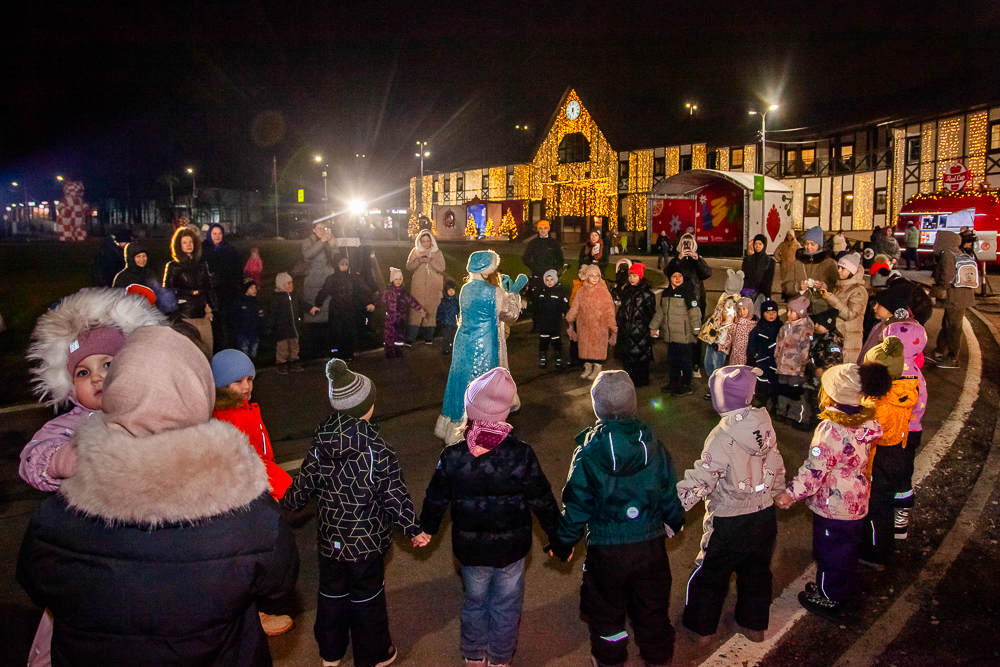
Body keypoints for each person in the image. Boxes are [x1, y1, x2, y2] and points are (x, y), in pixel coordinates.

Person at [17, 325, 299, 666]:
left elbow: (34, 580)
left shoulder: (60, 510)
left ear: (117, 386)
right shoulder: (247, 506)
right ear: (201, 391)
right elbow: (278, 584)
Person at [416, 368, 562, 667]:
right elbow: (542, 499)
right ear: (506, 413)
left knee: (475, 601)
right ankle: (499, 657)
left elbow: (436, 497)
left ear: (470, 410)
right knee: (506, 605)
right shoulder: (521, 454)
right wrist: (557, 537)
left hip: (470, 550)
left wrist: (426, 529)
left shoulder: (454, 455)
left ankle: (473, 654)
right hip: (512, 548)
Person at [283, 359, 419, 667]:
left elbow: (305, 482)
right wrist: (413, 528)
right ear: (366, 408)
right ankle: (373, 654)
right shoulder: (376, 448)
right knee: (367, 596)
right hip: (366, 544)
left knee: (331, 593)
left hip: (331, 540)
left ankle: (330, 653)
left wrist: (287, 504)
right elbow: (394, 495)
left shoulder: (321, 442)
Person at [548, 371, 685, 667]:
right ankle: (658, 657)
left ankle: (610, 660)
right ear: (632, 404)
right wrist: (675, 519)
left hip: (607, 549)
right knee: (652, 608)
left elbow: (577, 504)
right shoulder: (653, 444)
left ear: (597, 407)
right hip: (649, 545)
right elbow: (667, 488)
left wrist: (562, 542)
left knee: (607, 611)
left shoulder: (587, 452)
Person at [676, 365, 785, 643]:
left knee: (711, 574)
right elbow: (776, 462)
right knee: (757, 572)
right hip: (763, 515)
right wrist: (779, 490)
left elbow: (705, 475)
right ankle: (754, 624)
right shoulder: (765, 424)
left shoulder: (722, 436)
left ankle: (701, 628)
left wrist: (675, 505)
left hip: (729, 519)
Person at [775, 363, 887, 619]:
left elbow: (815, 471)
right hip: (857, 498)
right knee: (847, 548)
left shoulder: (831, 429)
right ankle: (841, 586)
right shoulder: (867, 420)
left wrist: (790, 494)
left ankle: (831, 595)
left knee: (830, 551)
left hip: (833, 504)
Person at [211, 348, 296, 637]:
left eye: (249, 379)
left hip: (255, 488)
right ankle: (254, 616)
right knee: (256, 558)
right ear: (221, 385)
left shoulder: (238, 410)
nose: (246, 387)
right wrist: (283, 486)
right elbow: (252, 462)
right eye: (237, 382)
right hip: (250, 494)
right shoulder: (233, 417)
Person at [436, 250, 525, 443]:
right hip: (484, 342)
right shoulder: (494, 292)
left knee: (460, 379)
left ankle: (453, 427)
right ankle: (479, 429)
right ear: (487, 267)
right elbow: (510, 314)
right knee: (482, 382)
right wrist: (515, 296)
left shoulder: (466, 288)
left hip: (463, 340)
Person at [857, 337, 919, 571]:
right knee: (884, 505)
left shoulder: (879, 405)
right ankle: (882, 547)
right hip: (897, 452)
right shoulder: (903, 390)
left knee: (876, 508)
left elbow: (866, 434)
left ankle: (875, 554)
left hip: (879, 458)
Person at [882, 320, 928, 540]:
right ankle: (900, 518)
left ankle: (884, 514)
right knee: (904, 473)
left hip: (892, 432)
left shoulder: (893, 371)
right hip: (912, 431)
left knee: (885, 472)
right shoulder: (917, 370)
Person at [163, 226, 216, 359]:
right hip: (184, 315)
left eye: (190, 242)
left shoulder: (202, 264)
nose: (188, 245)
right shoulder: (174, 266)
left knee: (207, 350)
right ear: (179, 245)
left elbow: (209, 287)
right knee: (188, 354)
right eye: (184, 242)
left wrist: (212, 306)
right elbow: (167, 292)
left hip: (202, 313)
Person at [310, 255, 376, 362]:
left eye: (346, 265)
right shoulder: (332, 278)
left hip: (349, 309)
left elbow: (361, 291)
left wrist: (368, 302)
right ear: (337, 265)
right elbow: (324, 291)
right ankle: (336, 354)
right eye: (342, 264)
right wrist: (317, 304)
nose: (344, 267)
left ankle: (348, 353)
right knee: (336, 332)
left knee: (348, 332)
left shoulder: (353, 278)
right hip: (336, 309)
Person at [666, 233, 712, 378]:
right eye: (684, 243)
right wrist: (678, 258)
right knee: (680, 333)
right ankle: (680, 365)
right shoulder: (677, 260)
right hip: (679, 302)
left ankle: (695, 364)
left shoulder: (697, 260)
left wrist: (697, 258)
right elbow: (668, 272)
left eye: (689, 243)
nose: (687, 246)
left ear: (694, 245)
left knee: (695, 333)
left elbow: (707, 273)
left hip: (696, 301)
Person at [649, 268, 702, 396]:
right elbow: (660, 312)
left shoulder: (688, 292)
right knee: (673, 361)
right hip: (670, 335)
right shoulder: (666, 293)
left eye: (680, 275)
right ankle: (674, 383)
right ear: (670, 278)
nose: (678, 278)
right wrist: (653, 326)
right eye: (674, 276)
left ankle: (686, 385)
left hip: (684, 336)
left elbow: (694, 313)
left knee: (685, 361)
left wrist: (696, 330)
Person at [928, 230, 976, 369]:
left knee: (953, 326)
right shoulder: (958, 252)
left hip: (955, 296)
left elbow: (947, 275)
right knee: (948, 323)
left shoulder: (947, 254)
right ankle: (939, 351)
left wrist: (941, 287)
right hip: (962, 295)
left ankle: (953, 357)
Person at [566, 264, 617, 381]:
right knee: (585, 348)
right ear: (587, 277)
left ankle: (597, 367)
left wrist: (613, 327)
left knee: (597, 348)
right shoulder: (581, 292)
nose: (594, 278)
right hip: (583, 326)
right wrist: (570, 319)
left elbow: (609, 310)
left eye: (597, 276)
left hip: (599, 326)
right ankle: (587, 366)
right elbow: (575, 307)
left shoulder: (603, 293)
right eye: (592, 276)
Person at [698, 269, 744, 385]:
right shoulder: (726, 298)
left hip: (718, 342)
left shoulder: (731, 303)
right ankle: (714, 386)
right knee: (710, 364)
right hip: (713, 337)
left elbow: (726, 325)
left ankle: (717, 387)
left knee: (715, 366)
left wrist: (721, 343)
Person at [774, 296, 814, 428]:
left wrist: (803, 365)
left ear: (801, 313)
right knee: (782, 390)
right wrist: (777, 357)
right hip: (782, 366)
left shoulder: (805, 330)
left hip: (795, 368)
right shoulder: (784, 327)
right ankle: (781, 411)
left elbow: (805, 349)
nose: (789, 314)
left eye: (792, 311)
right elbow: (778, 343)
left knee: (795, 393)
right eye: (788, 310)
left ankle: (795, 415)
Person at [203, 223, 244, 352]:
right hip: (211, 295)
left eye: (219, 233)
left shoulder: (230, 250)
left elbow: (237, 271)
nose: (217, 236)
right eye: (214, 234)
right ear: (209, 234)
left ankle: (232, 351)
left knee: (229, 326)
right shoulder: (203, 250)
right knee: (215, 327)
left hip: (228, 294)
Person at [821, 252, 867, 364]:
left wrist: (833, 300)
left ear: (851, 271)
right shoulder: (840, 287)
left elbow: (850, 314)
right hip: (839, 337)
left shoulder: (858, 291)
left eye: (843, 268)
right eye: (839, 267)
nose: (839, 270)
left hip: (849, 341)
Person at [615, 263, 656, 387]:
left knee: (640, 357)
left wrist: (649, 328)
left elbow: (651, 313)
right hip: (626, 330)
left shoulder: (647, 294)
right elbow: (623, 308)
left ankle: (641, 381)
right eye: (630, 275)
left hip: (640, 331)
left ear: (640, 276)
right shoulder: (626, 291)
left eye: (634, 275)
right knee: (627, 356)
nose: (632, 278)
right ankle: (628, 380)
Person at [782, 225, 839, 313]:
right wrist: (797, 286)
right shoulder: (797, 263)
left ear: (819, 245)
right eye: (806, 244)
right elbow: (785, 286)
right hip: (799, 309)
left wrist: (823, 286)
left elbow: (838, 286)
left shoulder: (829, 263)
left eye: (812, 244)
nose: (808, 247)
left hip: (821, 309)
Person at [302, 221, 337, 359]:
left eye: (324, 228)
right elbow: (308, 255)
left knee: (328, 315)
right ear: (314, 230)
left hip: (328, 278)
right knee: (315, 314)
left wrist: (333, 245)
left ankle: (327, 347)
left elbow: (335, 257)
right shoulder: (307, 242)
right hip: (313, 281)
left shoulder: (328, 240)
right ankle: (314, 348)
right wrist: (322, 241)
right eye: (319, 228)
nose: (322, 230)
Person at [804, 308, 844, 428]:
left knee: (821, 400)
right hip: (813, 374)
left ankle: (820, 423)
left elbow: (834, 358)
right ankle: (813, 420)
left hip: (824, 377)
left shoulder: (833, 339)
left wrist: (824, 369)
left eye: (819, 324)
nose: (816, 326)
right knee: (812, 399)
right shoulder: (818, 337)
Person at [405, 229, 446, 344]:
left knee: (431, 311)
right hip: (418, 286)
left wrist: (431, 261)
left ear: (431, 241)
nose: (426, 244)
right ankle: (411, 337)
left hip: (433, 286)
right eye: (423, 241)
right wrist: (419, 261)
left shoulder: (437, 253)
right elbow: (409, 266)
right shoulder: (415, 252)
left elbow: (442, 268)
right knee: (416, 310)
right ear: (420, 241)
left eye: (428, 241)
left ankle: (429, 336)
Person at [522, 219, 564, 324]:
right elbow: (526, 258)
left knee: (551, 299)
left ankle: (551, 323)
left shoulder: (554, 243)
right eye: (541, 229)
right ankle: (536, 324)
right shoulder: (533, 243)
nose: (543, 231)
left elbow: (560, 259)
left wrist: (554, 269)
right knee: (536, 300)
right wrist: (534, 267)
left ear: (548, 230)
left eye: (545, 228)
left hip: (550, 277)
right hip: (537, 275)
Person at [381, 267, 424, 357]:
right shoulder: (388, 292)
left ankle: (398, 351)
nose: (398, 281)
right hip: (390, 318)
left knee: (399, 336)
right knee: (389, 335)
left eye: (400, 279)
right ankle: (389, 352)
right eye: (396, 279)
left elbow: (412, 301)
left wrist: (420, 310)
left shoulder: (404, 292)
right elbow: (381, 301)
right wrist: (374, 305)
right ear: (392, 280)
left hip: (400, 319)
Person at [747, 300, 782, 409]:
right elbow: (751, 345)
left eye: (774, 312)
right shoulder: (758, 329)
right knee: (762, 383)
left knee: (775, 383)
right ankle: (761, 402)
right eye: (767, 312)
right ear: (762, 313)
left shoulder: (782, 328)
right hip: (762, 361)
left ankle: (775, 404)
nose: (771, 315)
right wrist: (752, 358)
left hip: (777, 362)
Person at [267, 272, 303, 374]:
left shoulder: (294, 296)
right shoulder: (277, 298)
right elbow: (272, 313)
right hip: (282, 329)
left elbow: (302, 304)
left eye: (291, 283)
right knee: (282, 348)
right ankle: (281, 364)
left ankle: (294, 362)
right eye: (288, 283)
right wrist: (269, 327)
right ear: (281, 285)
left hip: (293, 327)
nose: (291, 285)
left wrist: (311, 308)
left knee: (294, 346)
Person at [536, 269, 569, 368]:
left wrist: (567, 314)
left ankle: (558, 357)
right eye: (547, 280)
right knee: (543, 341)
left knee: (556, 340)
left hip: (555, 321)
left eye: (551, 279)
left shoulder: (559, 292)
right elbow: (537, 306)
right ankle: (543, 357)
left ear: (555, 280)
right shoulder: (541, 292)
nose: (549, 282)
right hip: (544, 322)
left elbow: (564, 306)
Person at [741, 234, 775, 310]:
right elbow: (744, 278)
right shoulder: (747, 260)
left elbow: (769, 281)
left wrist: (767, 297)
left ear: (764, 245)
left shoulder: (770, 261)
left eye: (760, 244)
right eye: (755, 244)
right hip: (748, 293)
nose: (757, 246)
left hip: (762, 294)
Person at [234, 278, 264, 359]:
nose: (254, 290)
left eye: (255, 288)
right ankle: (245, 370)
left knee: (253, 353)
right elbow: (232, 314)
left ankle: (252, 368)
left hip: (254, 333)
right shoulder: (239, 302)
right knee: (244, 353)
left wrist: (261, 327)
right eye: (251, 288)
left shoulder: (256, 302)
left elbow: (261, 316)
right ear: (246, 289)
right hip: (243, 333)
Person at [728, 297, 757, 366]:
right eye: (739, 309)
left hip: (746, 357)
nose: (742, 312)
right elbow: (729, 337)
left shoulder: (753, 325)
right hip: (734, 357)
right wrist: (721, 345)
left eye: (744, 309)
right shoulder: (735, 324)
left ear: (749, 309)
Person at [438, 279, 460, 355]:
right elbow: (440, 311)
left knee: (454, 337)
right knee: (446, 337)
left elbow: (459, 310)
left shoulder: (457, 301)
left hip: (454, 323)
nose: (451, 292)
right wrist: (440, 320)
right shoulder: (444, 302)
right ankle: (446, 349)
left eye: (452, 290)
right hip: (446, 323)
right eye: (449, 290)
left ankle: (454, 349)